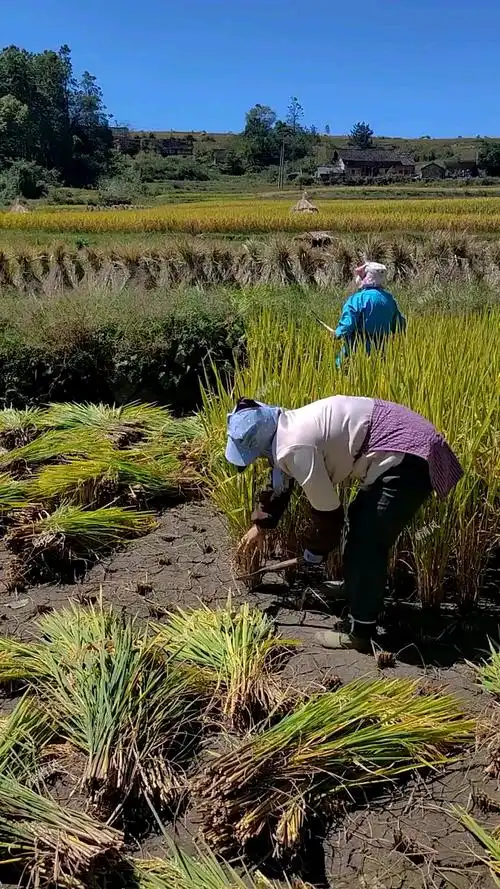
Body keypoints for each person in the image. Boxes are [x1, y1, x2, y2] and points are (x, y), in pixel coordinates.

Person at [226, 394, 463, 653]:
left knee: (366, 541)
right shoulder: (284, 426)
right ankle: (356, 587)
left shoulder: (294, 446)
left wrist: (314, 553)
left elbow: (328, 513)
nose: (258, 458)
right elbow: (280, 480)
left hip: (409, 455)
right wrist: (261, 525)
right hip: (402, 445)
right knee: (360, 517)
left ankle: (360, 632)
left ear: (261, 445)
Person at [334, 261, 406, 368]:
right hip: (381, 349)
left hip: (357, 347)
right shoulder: (389, 300)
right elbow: (399, 325)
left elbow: (347, 324)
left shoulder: (357, 299)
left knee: (342, 369)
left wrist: (337, 333)